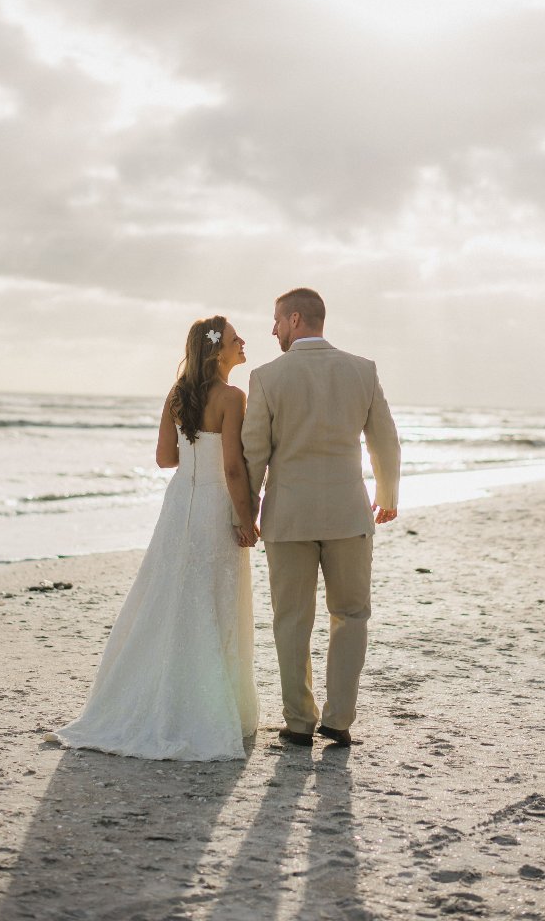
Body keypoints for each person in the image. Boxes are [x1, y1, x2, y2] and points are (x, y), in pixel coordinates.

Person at [49, 316, 260, 761]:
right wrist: (247, 517)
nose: (244, 342)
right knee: (212, 600)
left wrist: (192, 456)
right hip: (212, 507)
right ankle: (204, 707)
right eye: (235, 338)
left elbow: (165, 458)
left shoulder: (177, 395)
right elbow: (234, 468)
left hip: (179, 501)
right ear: (217, 350)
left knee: (168, 597)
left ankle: (150, 697)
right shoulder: (231, 397)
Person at [241, 288, 401, 748]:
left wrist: (247, 512)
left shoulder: (267, 377)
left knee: (292, 619)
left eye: (275, 321)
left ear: (295, 319)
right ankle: (339, 720)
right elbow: (384, 441)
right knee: (351, 616)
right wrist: (387, 494)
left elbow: (255, 453)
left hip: (288, 516)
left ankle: (298, 722)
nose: (272, 330)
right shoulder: (362, 371)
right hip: (349, 513)